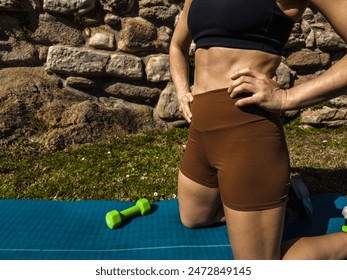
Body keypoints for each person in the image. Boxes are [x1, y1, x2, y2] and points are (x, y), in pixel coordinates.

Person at [169, 0, 347, 260]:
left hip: (247, 133)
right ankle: (285, 206)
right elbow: (176, 46)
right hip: (201, 132)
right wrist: (182, 89)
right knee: (193, 218)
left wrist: (288, 98)